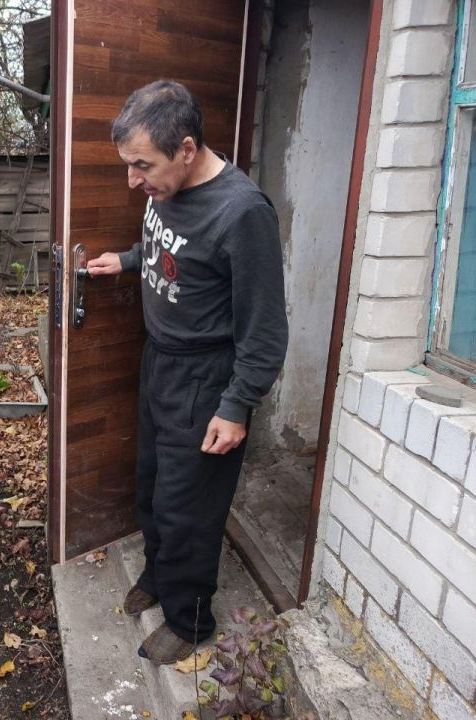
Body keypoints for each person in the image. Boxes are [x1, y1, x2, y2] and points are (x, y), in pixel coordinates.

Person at [87, 81, 288, 664]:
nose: (133, 181)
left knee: (189, 509)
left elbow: (266, 328)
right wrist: (125, 259)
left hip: (208, 380)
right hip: (162, 363)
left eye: (142, 166)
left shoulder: (243, 213)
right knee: (152, 486)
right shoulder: (163, 186)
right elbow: (166, 246)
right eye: (128, 165)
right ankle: (159, 574)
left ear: (187, 150)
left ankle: (191, 619)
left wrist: (238, 404)